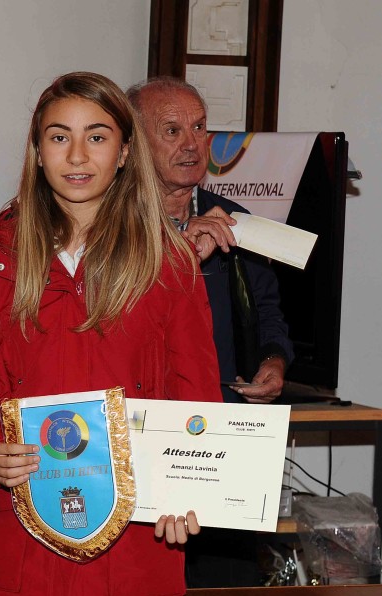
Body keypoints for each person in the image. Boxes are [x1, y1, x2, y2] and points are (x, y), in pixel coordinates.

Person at [0, 72, 221, 596]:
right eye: (58, 136)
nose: (76, 155)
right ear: (37, 151)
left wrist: (185, 487)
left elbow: (196, 401)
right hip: (17, 532)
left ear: (124, 152)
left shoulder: (169, 262)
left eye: (96, 136)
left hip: (131, 542)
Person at [126, 76, 293, 405]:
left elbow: (266, 311)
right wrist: (179, 248)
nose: (191, 144)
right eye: (172, 131)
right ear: (135, 143)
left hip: (217, 412)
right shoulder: (110, 225)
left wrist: (272, 362)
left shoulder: (234, 221)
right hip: (139, 411)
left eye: (199, 127)